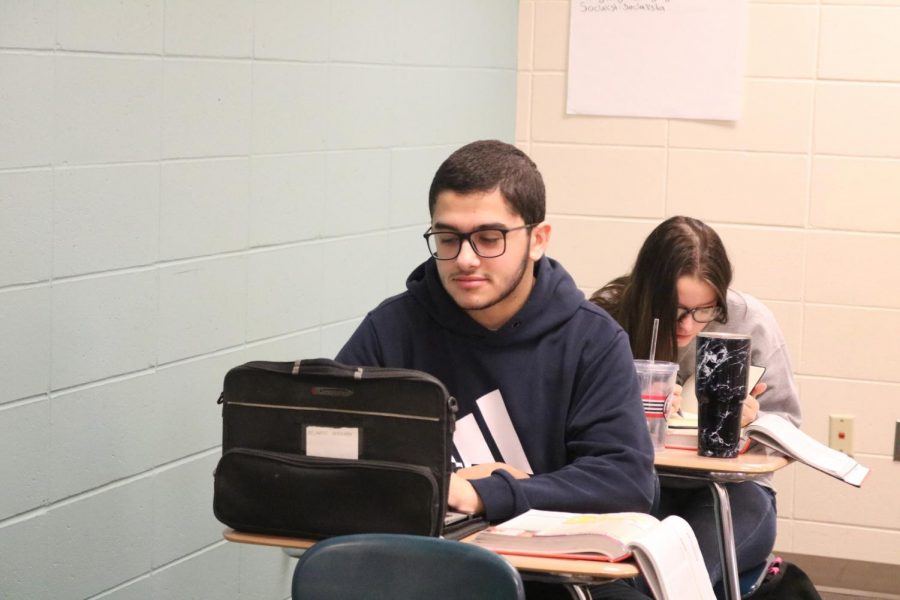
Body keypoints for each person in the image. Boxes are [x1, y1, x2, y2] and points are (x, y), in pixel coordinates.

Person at [336, 140, 656, 599]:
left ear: (538, 240)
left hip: (553, 583)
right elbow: (330, 455)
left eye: (489, 238)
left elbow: (624, 481)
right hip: (419, 576)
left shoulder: (592, 340)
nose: (465, 259)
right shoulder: (392, 329)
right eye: (448, 239)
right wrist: (442, 486)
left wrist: (487, 494)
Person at [590, 215, 802, 597]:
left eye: (703, 310)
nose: (688, 325)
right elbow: (572, 424)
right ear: (647, 293)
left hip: (731, 492)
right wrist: (625, 407)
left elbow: (787, 423)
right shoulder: (607, 317)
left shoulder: (748, 321)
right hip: (634, 485)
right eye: (674, 310)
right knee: (616, 581)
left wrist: (751, 426)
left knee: (680, 574)